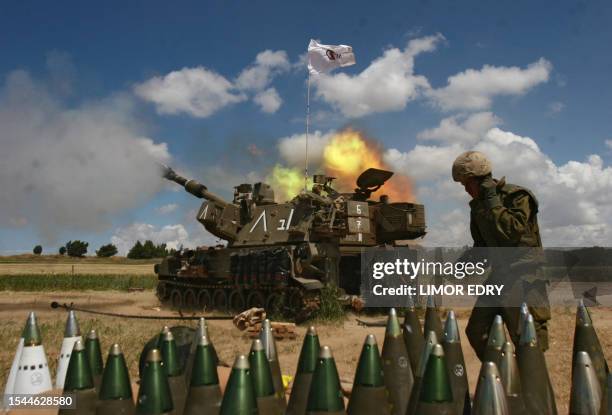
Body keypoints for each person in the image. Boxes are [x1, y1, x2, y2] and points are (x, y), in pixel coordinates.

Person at [452, 151, 550, 359]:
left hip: (523, 276)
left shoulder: (518, 197)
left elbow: (510, 231)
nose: (466, 190)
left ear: (482, 180)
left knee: (526, 340)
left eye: (467, 184)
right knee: (477, 332)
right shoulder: (477, 208)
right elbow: (482, 247)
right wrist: (459, 267)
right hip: (499, 277)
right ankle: (503, 380)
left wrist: (492, 200)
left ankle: (531, 388)